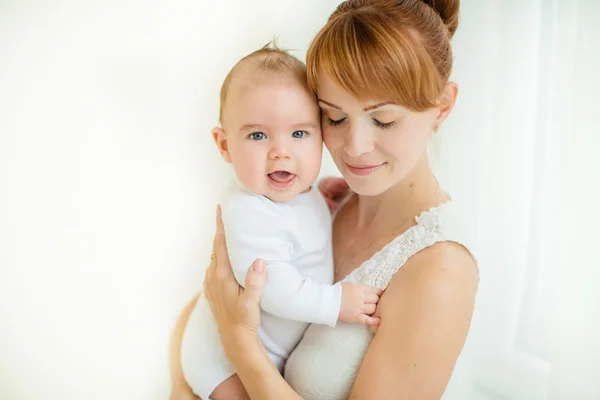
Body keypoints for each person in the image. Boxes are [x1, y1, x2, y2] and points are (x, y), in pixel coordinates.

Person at [171, 0, 479, 398]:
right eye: (333, 117)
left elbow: (228, 318)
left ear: (443, 106)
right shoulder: (313, 197)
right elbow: (208, 304)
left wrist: (239, 343)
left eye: (383, 120)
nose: (354, 147)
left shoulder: (440, 272)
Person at [179, 44, 383, 400]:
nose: (281, 151)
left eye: (299, 134)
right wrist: (334, 303)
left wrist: (319, 194)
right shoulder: (247, 210)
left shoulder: (295, 194)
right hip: (220, 362)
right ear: (224, 145)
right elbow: (272, 288)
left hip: (264, 350)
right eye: (258, 135)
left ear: (321, 136)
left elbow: (293, 227)